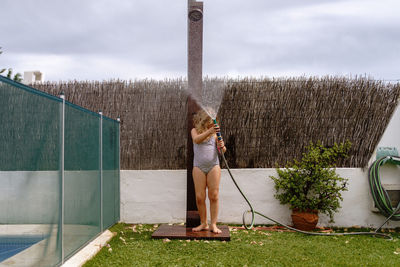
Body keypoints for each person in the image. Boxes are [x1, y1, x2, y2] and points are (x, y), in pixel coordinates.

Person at [191, 109, 226, 234]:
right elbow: (196, 140)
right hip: (198, 167)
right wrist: (210, 131)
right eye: (210, 121)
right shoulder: (194, 131)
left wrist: (222, 146)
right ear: (204, 121)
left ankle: (214, 224)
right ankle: (203, 223)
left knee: (214, 195)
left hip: (213, 166)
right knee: (200, 197)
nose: (212, 123)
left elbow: (222, 151)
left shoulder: (215, 134)